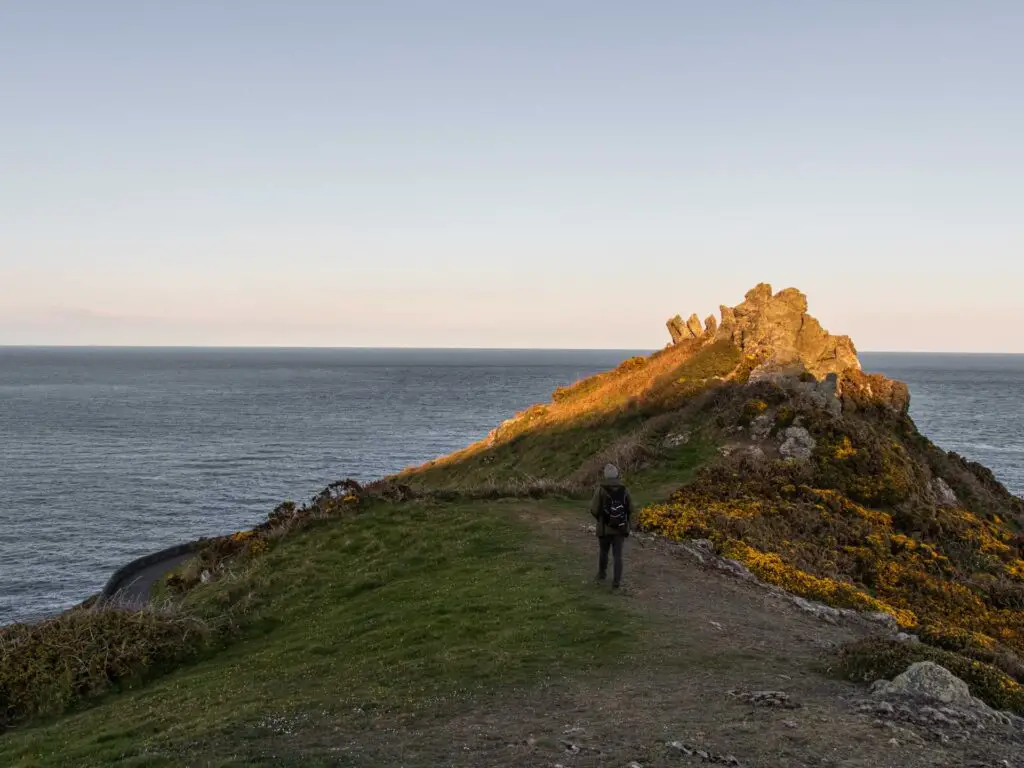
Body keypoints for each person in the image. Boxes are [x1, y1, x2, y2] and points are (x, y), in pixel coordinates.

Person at [589, 463, 634, 589]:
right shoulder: (625, 489)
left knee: (603, 552)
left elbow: (593, 509)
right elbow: (630, 508)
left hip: (604, 529)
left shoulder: (600, 489)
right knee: (618, 555)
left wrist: (601, 519)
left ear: (605, 475)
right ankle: (616, 582)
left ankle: (602, 574)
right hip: (620, 529)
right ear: (617, 474)